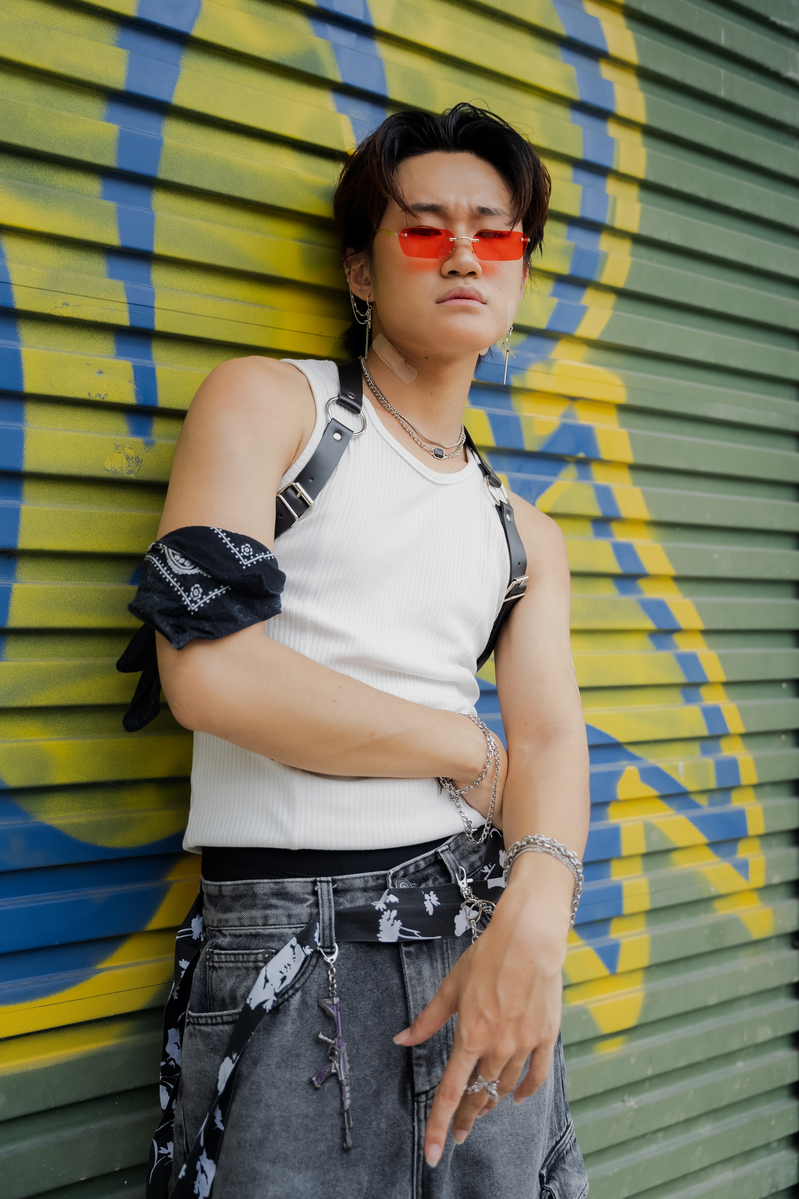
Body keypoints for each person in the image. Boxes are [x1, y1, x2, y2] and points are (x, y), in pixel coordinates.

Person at [128, 102, 590, 1198]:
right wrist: (466, 750)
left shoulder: (522, 531)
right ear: (360, 271)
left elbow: (553, 740)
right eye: (424, 229)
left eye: (496, 232)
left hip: (480, 935)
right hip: (297, 949)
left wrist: (537, 916)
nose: (465, 253)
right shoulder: (274, 405)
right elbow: (210, 670)